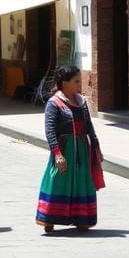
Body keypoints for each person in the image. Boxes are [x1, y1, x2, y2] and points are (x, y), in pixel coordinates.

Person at [35, 65, 102, 233]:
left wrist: (96, 146)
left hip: (81, 149)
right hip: (64, 149)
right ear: (64, 83)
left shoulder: (81, 101)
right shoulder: (54, 103)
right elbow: (50, 130)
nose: (80, 84)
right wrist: (57, 154)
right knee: (59, 180)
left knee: (82, 181)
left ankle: (82, 218)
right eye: (76, 81)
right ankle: (49, 217)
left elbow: (88, 125)